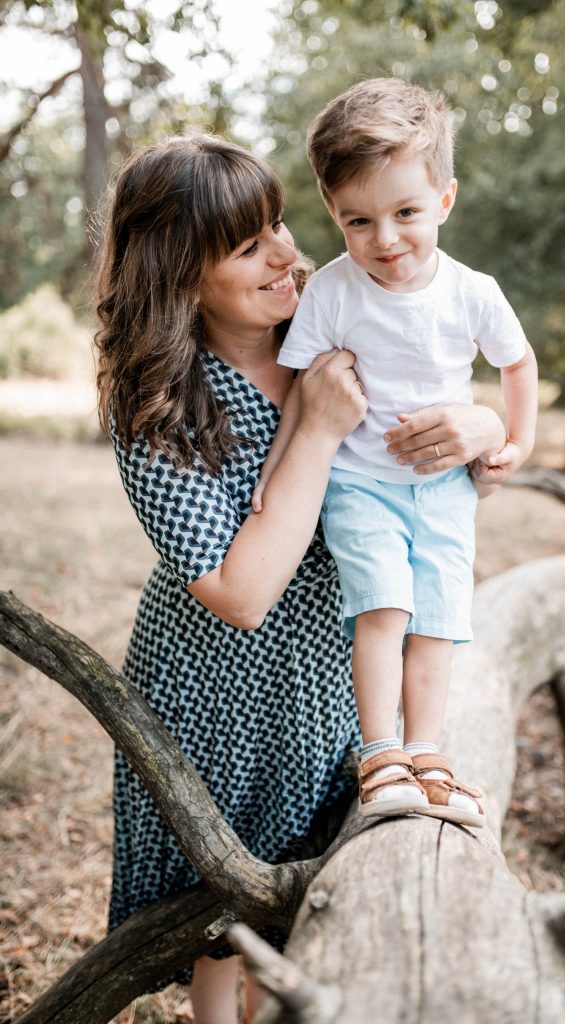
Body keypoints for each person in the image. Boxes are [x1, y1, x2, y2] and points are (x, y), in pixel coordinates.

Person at [93, 133, 507, 1024]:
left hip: (332, 679)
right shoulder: (161, 405)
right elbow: (241, 595)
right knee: (218, 925)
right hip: (216, 697)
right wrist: (315, 430)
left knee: (309, 904)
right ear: (177, 274)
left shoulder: (342, 314)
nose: (288, 252)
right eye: (249, 246)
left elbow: (432, 444)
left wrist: (479, 427)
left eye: (280, 223)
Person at [254, 79, 538, 829]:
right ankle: (381, 755)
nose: (385, 240)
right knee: (383, 608)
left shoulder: (472, 291)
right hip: (360, 485)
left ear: (444, 199)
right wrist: (278, 470)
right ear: (334, 217)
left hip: (442, 487)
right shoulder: (335, 293)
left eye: (406, 213)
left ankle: (428, 751)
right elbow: (297, 389)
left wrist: (516, 440)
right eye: (359, 220)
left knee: (437, 620)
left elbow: (517, 363)